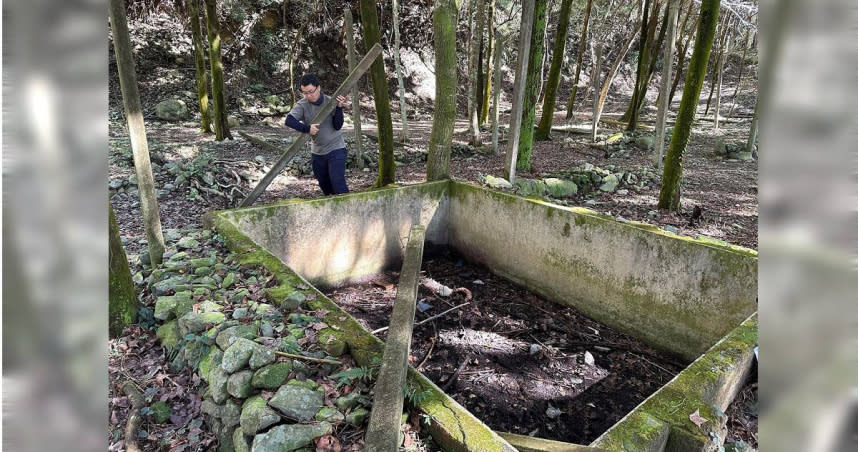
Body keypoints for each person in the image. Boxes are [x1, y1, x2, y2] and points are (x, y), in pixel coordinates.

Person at [285, 73, 350, 195]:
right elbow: (289, 121)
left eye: (311, 91)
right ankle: (333, 210)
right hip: (317, 152)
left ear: (318, 88)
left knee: (338, 183)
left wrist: (339, 108)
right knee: (324, 185)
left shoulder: (330, 101)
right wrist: (307, 128)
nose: (309, 95)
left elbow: (338, 126)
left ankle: (349, 211)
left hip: (336, 148)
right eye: (305, 93)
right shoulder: (302, 105)